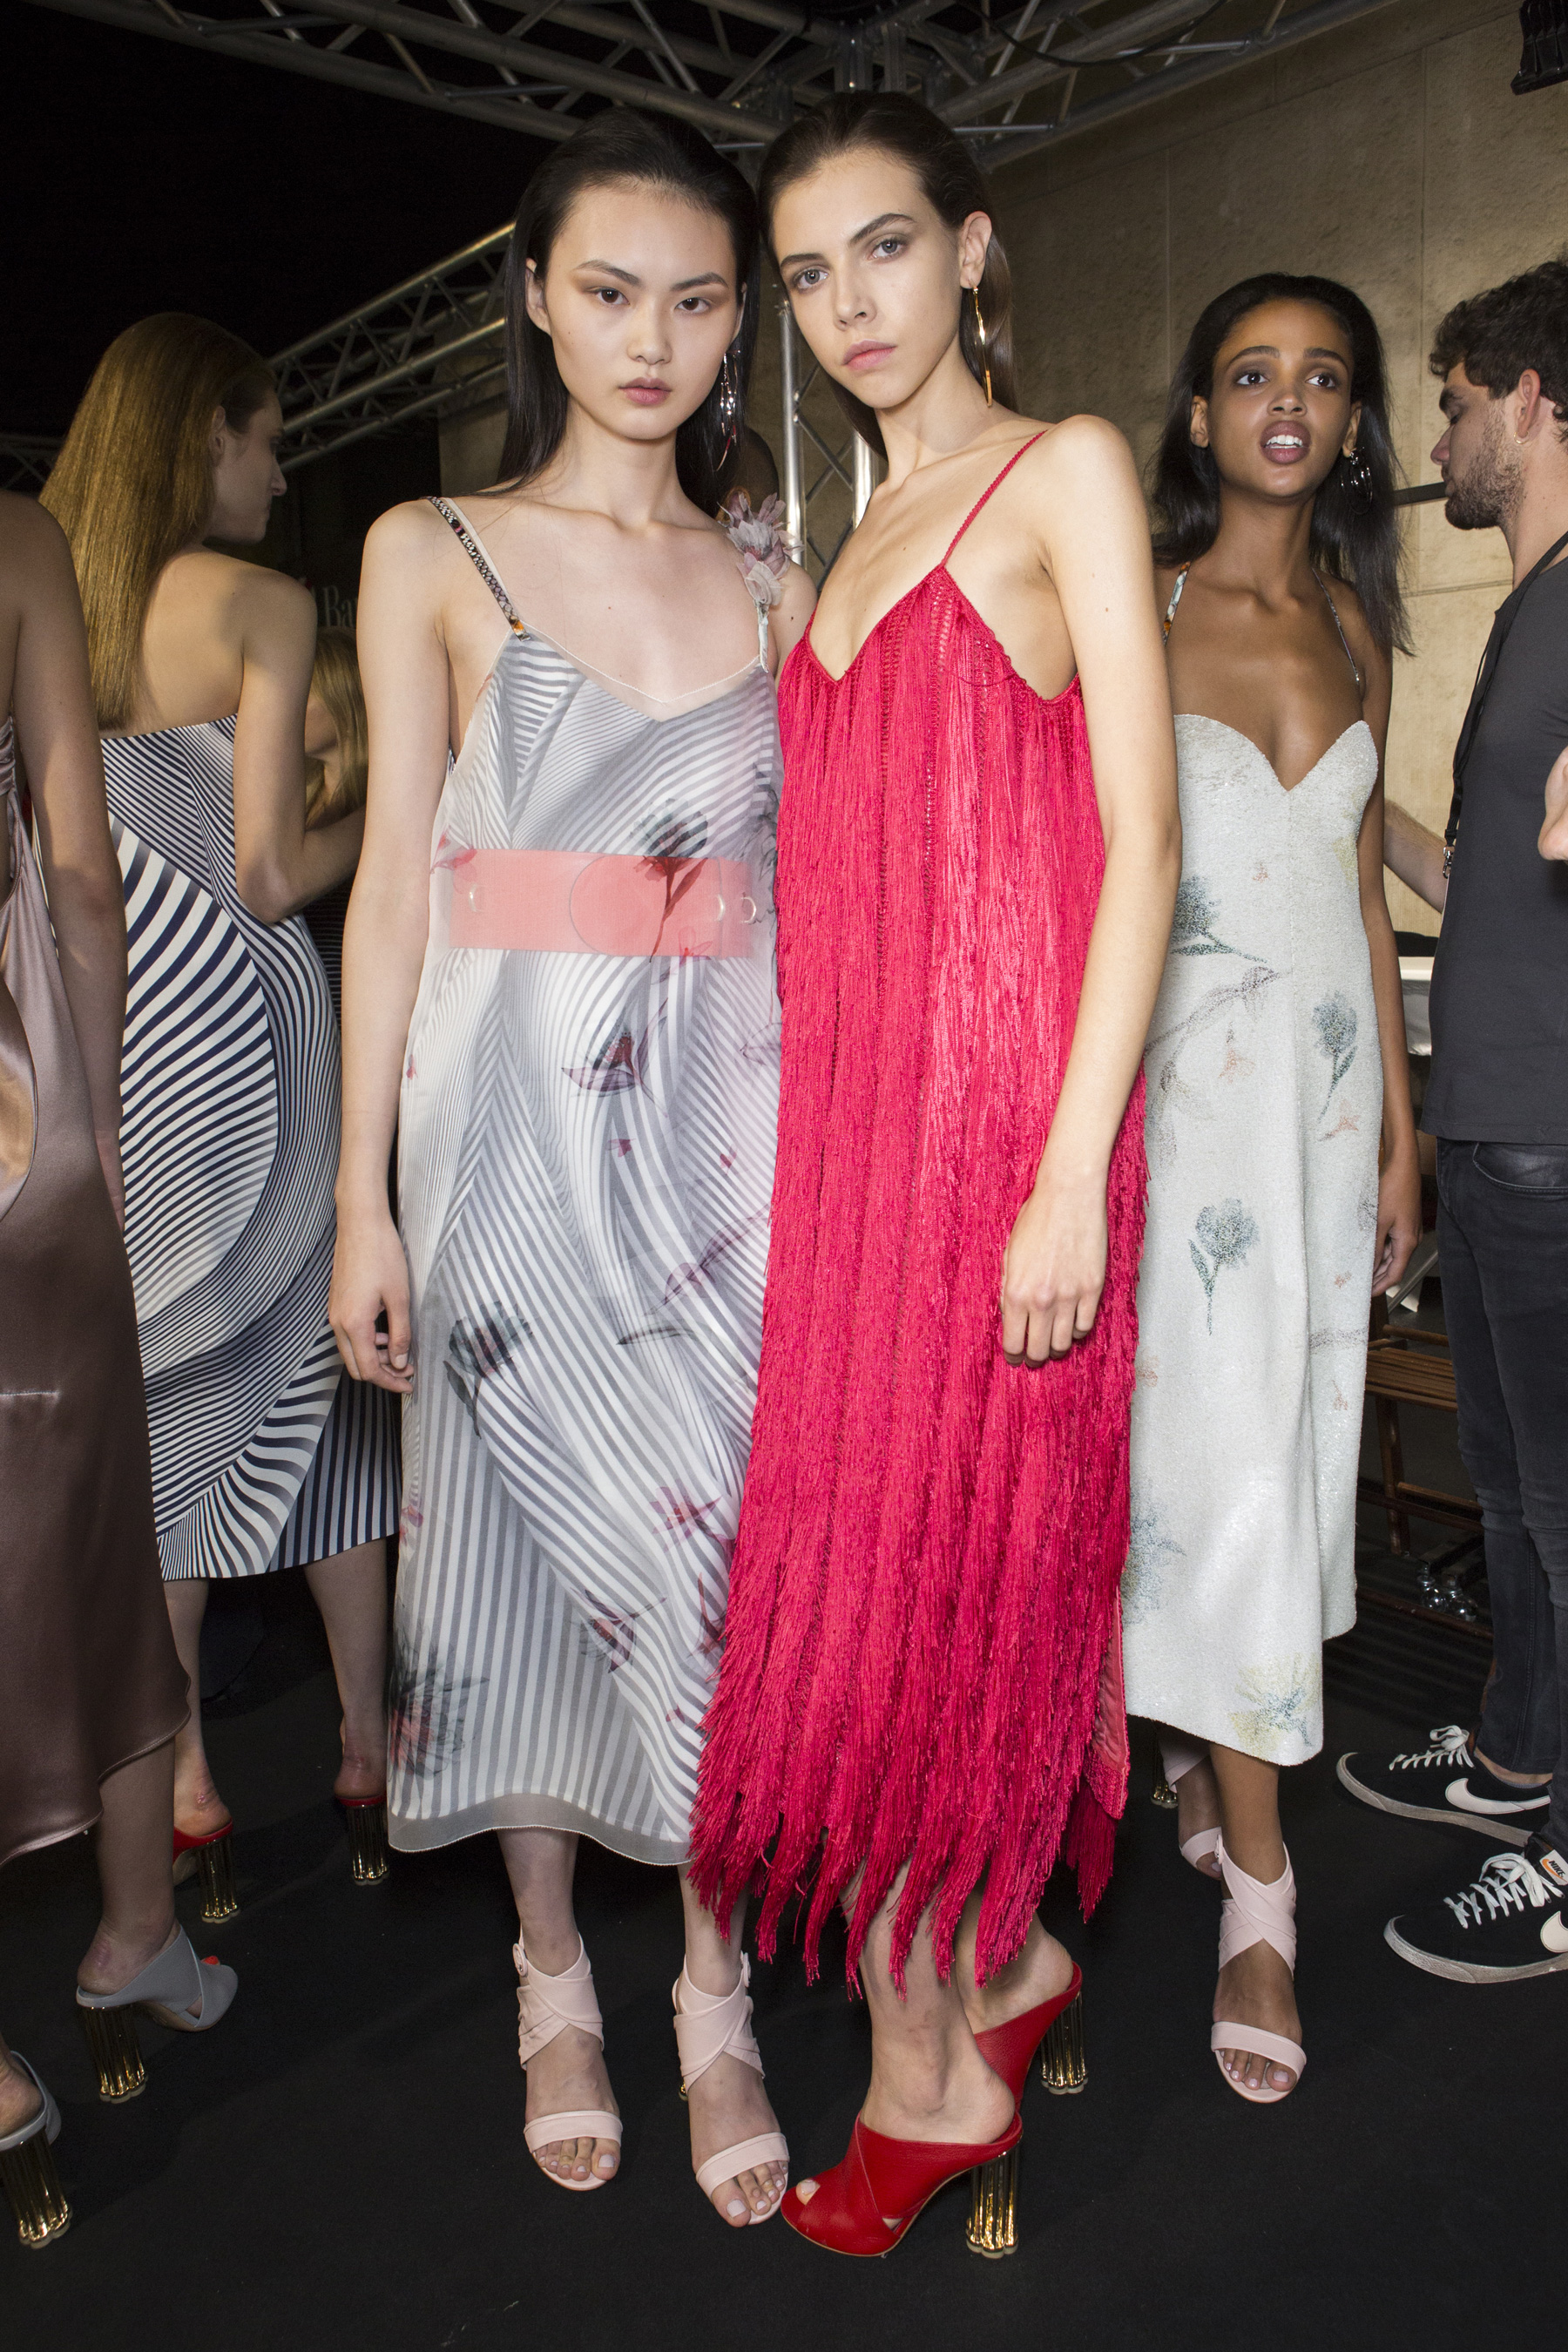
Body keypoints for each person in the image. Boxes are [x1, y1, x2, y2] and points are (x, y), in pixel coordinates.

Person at [689, 92, 1180, 2258]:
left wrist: (1071, 1176)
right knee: (863, 1597)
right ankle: (1000, 1960)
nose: (847, 306)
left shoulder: (1062, 469)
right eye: (806, 274)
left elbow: (1146, 848)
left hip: (1007, 1157)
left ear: (973, 248)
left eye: (884, 248)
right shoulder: (838, 544)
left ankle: (930, 2071)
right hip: (852, 1174)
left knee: (937, 1604)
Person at [330, 112, 813, 2224]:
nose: (653, 339)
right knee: (514, 1550)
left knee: (722, 1563)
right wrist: (357, 1192)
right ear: (533, 296)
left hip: (726, 1132)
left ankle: (713, 1982)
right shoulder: (429, 546)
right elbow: (389, 890)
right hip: (501, 1122)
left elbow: (816, 895)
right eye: (611, 291)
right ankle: (551, 1970)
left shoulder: (779, 574)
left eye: (699, 300)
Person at [41, 318, 397, 1915]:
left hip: (121, 1046)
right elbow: (265, 870)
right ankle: (368, 1752)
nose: (280, 473)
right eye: (268, 441)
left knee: (171, 1410)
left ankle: (183, 1785)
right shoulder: (253, 600)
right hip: (252, 1039)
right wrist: (397, 812)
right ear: (208, 435)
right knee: (334, 1391)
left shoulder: (52, 602)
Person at [1122, 274, 1420, 2102]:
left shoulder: (1358, 622)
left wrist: (1398, 1127)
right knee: (1202, 1464)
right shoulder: (1141, 610)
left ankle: (1195, 1751)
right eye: (1251, 374)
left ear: (1356, 423)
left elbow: (1360, 898)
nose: (1287, 401)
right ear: (1200, 416)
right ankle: (1263, 1886)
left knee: (1275, 1467)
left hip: (1320, 1124)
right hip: (1179, 1123)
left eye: (1322, 378)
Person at [0, 492, 234, 2251]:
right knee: (89, 1519)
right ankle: (136, 1931)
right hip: (23, 1127)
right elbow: (82, 877)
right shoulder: (16, 541)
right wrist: (80, 1135)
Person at [1342, 258, 1568, 1982]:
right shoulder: (1529, 606)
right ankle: (1519, 1757)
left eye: (1457, 404)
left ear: (1535, 399)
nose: (1438, 441)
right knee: (1510, 1493)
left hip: (1558, 1132)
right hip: (1493, 1128)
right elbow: (1485, 870)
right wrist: (1354, 806)